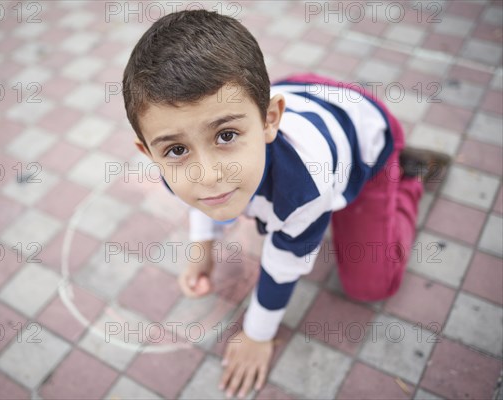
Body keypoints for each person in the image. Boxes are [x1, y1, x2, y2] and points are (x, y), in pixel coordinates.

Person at [122, 9, 450, 399]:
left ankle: (404, 176)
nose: (205, 175)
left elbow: (282, 266)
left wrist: (258, 334)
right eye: (176, 149)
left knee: (370, 285)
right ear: (150, 153)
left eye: (226, 136)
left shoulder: (303, 188)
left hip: (364, 133)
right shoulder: (179, 166)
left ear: (268, 120)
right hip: (300, 97)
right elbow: (199, 194)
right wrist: (201, 247)